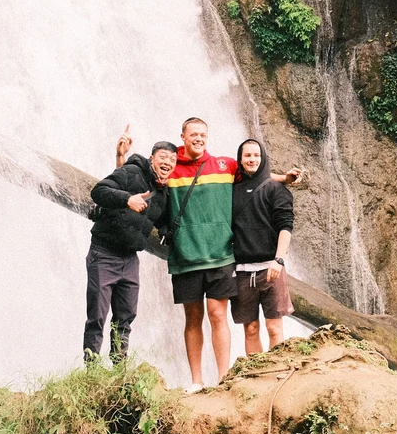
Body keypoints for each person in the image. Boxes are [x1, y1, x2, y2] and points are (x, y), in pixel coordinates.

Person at [115, 119, 300, 391]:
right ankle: (196, 381)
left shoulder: (224, 166)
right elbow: (132, 184)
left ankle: (224, 378)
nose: (198, 139)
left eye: (203, 134)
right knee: (193, 319)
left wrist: (284, 179)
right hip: (185, 256)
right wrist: (120, 157)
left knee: (217, 315)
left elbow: (257, 172)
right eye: (193, 135)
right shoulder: (170, 167)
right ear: (183, 137)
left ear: (207, 137)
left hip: (221, 255)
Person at [83, 140, 177, 364]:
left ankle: (119, 368)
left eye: (172, 160)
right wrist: (127, 200)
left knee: (125, 317)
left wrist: (168, 231)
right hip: (103, 253)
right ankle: (92, 369)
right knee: (97, 316)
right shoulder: (132, 172)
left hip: (129, 259)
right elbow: (99, 191)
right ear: (152, 158)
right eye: (163, 157)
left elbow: (164, 221)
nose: (168, 162)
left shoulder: (163, 193)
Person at [231, 139, 295, 355]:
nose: (252, 159)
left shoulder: (276, 190)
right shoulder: (232, 190)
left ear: (263, 157)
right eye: (247, 155)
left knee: (274, 328)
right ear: (240, 159)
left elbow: (286, 227)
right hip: (242, 272)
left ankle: (276, 375)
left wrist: (279, 260)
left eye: (256, 155)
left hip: (271, 268)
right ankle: (255, 376)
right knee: (250, 329)